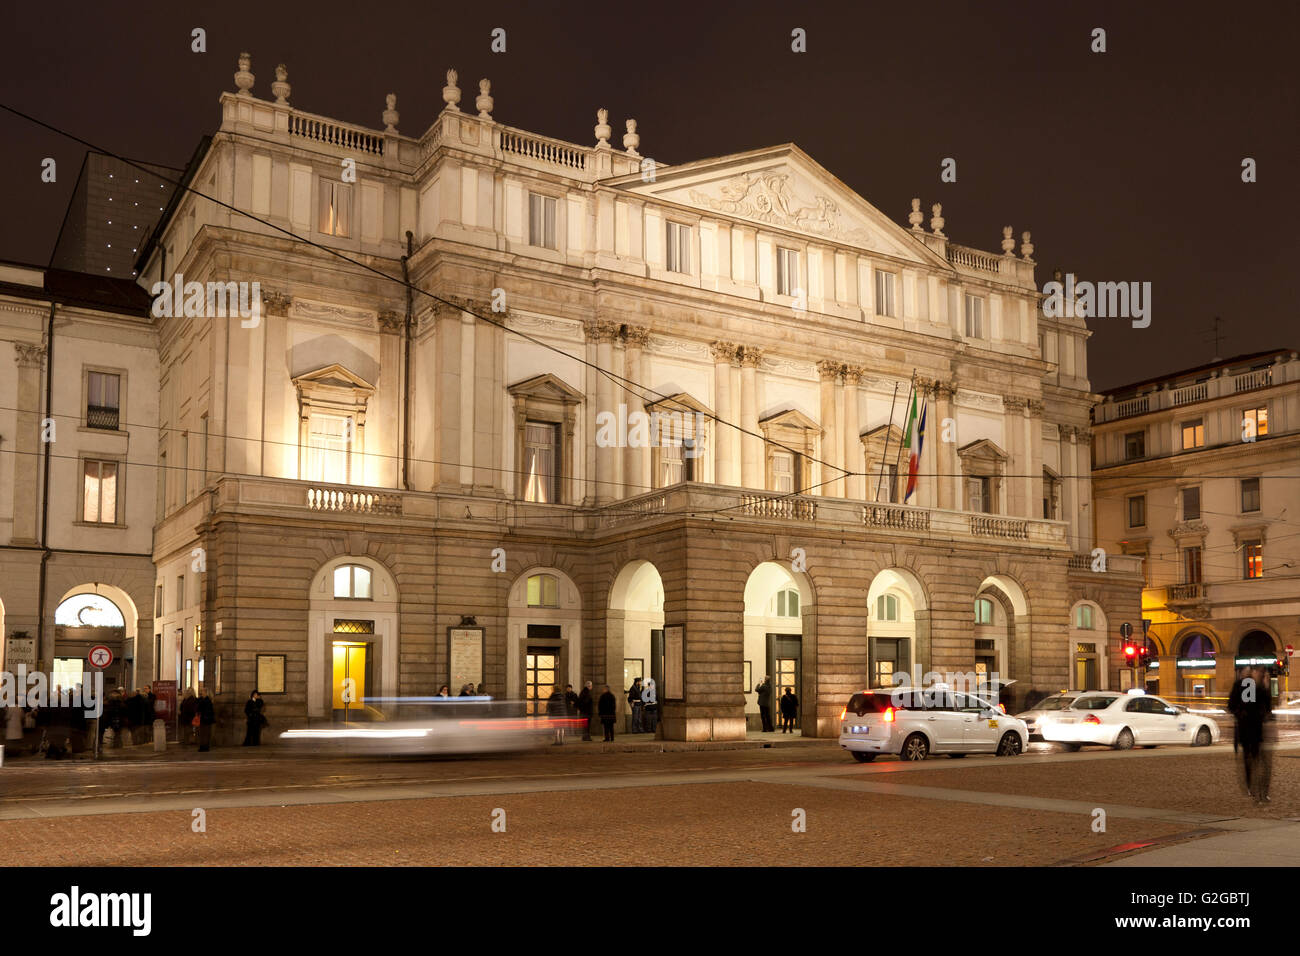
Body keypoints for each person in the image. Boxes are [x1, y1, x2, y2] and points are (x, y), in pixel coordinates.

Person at [1230, 665, 1273, 803]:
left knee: (1253, 759)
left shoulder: (1255, 687)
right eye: (1259, 672)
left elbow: (1267, 708)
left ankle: (1254, 789)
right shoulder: (1253, 687)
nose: (1260, 674)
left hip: (1251, 729)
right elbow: (1268, 708)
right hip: (1250, 729)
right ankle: (1255, 790)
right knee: (1253, 759)